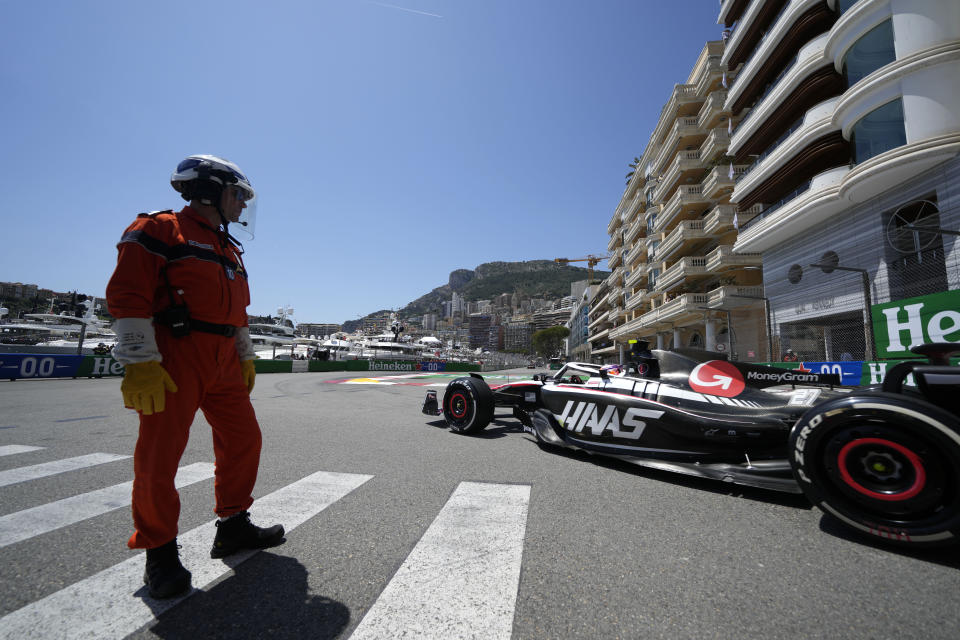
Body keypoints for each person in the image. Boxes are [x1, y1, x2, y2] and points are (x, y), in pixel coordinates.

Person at [106, 155, 284, 600]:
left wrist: (244, 355)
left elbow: (237, 312)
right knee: (160, 454)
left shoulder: (228, 248)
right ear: (212, 191)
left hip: (223, 355)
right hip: (174, 354)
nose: (243, 205)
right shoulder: (158, 229)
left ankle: (233, 525)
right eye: (238, 195)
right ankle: (159, 551)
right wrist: (140, 361)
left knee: (244, 439)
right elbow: (127, 295)